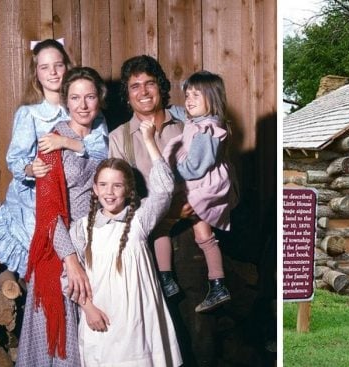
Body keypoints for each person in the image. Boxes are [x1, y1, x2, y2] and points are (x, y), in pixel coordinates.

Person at [0, 39, 108, 278]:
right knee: (47, 269)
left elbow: (102, 150)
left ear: (67, 67)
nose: (53, 72)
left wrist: (67, 142)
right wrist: (30, 169)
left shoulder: (87, 108)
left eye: (58, 65)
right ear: (35, 74)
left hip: (78, 199)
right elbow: (15, 160)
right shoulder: (30, 114)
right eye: (44, 67)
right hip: (38, 201)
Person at [16, 66, 108, 366]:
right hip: (60, 247)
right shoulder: (51, 142)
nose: (83, 105)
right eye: (75, 98)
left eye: (90, 97)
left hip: (97, 244)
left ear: (99, 100)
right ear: (65, 102)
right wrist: (70, 260)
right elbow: (48, 213)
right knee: (58, 339)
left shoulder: (103, 136)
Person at [72, 125, 182, 366]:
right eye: (103, 185)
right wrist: (88, 308)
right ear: (94, 189)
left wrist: (149, 140)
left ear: (129, 190)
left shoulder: (140, 219)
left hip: (136, 320)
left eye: (117, 186)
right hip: (99, 317)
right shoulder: (81, 228)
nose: (109, 193)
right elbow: (69, 277)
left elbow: (164, 189)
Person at [108, 55, 190, 298]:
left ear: (160, 87)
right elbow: (116, 201)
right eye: (135, 86)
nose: (143, 91)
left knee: (197, 322)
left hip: (191, 232)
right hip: (143, 238)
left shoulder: (187, 127)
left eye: (149, 83)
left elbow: (217, 179)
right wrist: (169, 213)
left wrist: (199, 205)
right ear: (127, 93)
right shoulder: (118, 138)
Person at [162, 70, 238, 313]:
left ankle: (166, 280)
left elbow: (194, 168)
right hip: (201, 185)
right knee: (203, 236)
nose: (189, 100)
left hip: (201, 187)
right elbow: (181, 114)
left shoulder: (207, 131)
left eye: (196, 95)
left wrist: (173, 171)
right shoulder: (200, 121)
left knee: (164, 225)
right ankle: (217, 284)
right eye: (187, 95)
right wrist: (168, 108)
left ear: (212, 98)